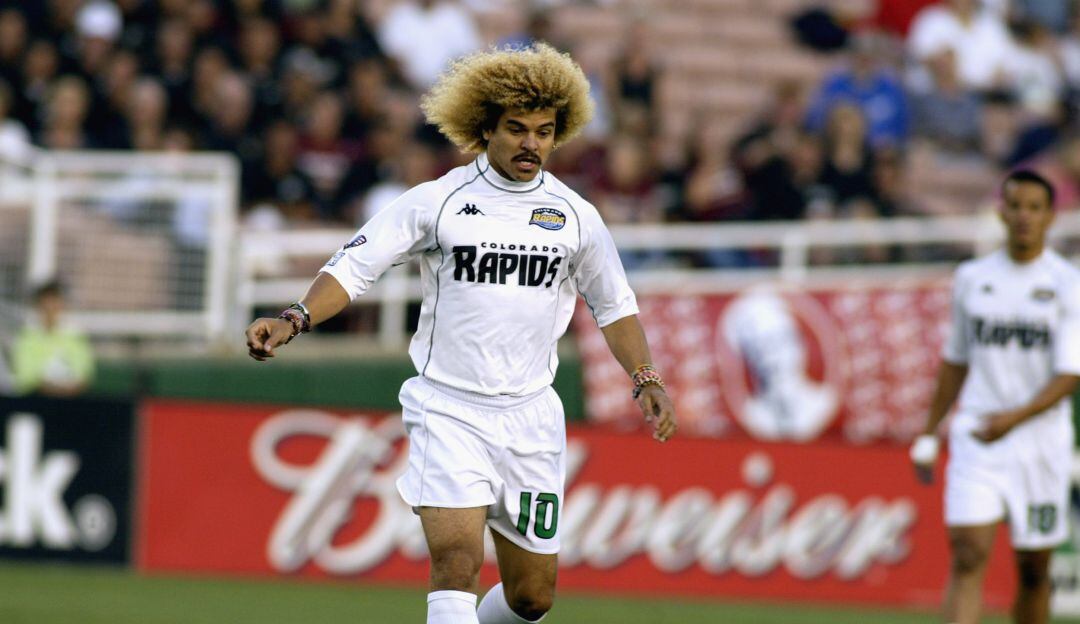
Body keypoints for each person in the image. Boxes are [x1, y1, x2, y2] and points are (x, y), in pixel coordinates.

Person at [245, 43, 677, 624]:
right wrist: (293, 317)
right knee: (456, 562)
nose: (532, 144)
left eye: (545, 132)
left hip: (530, 418)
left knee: (532, 598)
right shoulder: (438, 200)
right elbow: (355, 265)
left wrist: (645, 377)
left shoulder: (576, 216)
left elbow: (614, 306)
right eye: (517, 129)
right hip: (448, 408)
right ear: (485, 129)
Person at [910, 169, 1080, 624]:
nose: (1023, 217)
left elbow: (1070, 374)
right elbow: (956, 359)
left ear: (1050, 216)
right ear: (1001, 212)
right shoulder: (972, 278)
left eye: (1034, 208)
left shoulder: (1068, 284)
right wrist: (929, 434)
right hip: (980, 433)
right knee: (967, 555)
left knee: (1033, 569)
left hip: (1040, 443)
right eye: (1015, 206)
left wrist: (1016, 418)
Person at [12, 280, 96, 397]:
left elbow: (84, 375)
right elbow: (25, 377)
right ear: (38, 306)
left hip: (72, 401)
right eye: (46, 304)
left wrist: (69, 389)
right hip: (36, 399)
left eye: (54, 303)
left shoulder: (75, 336)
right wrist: (49, 388)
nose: (50, 309)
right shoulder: (27, 337)